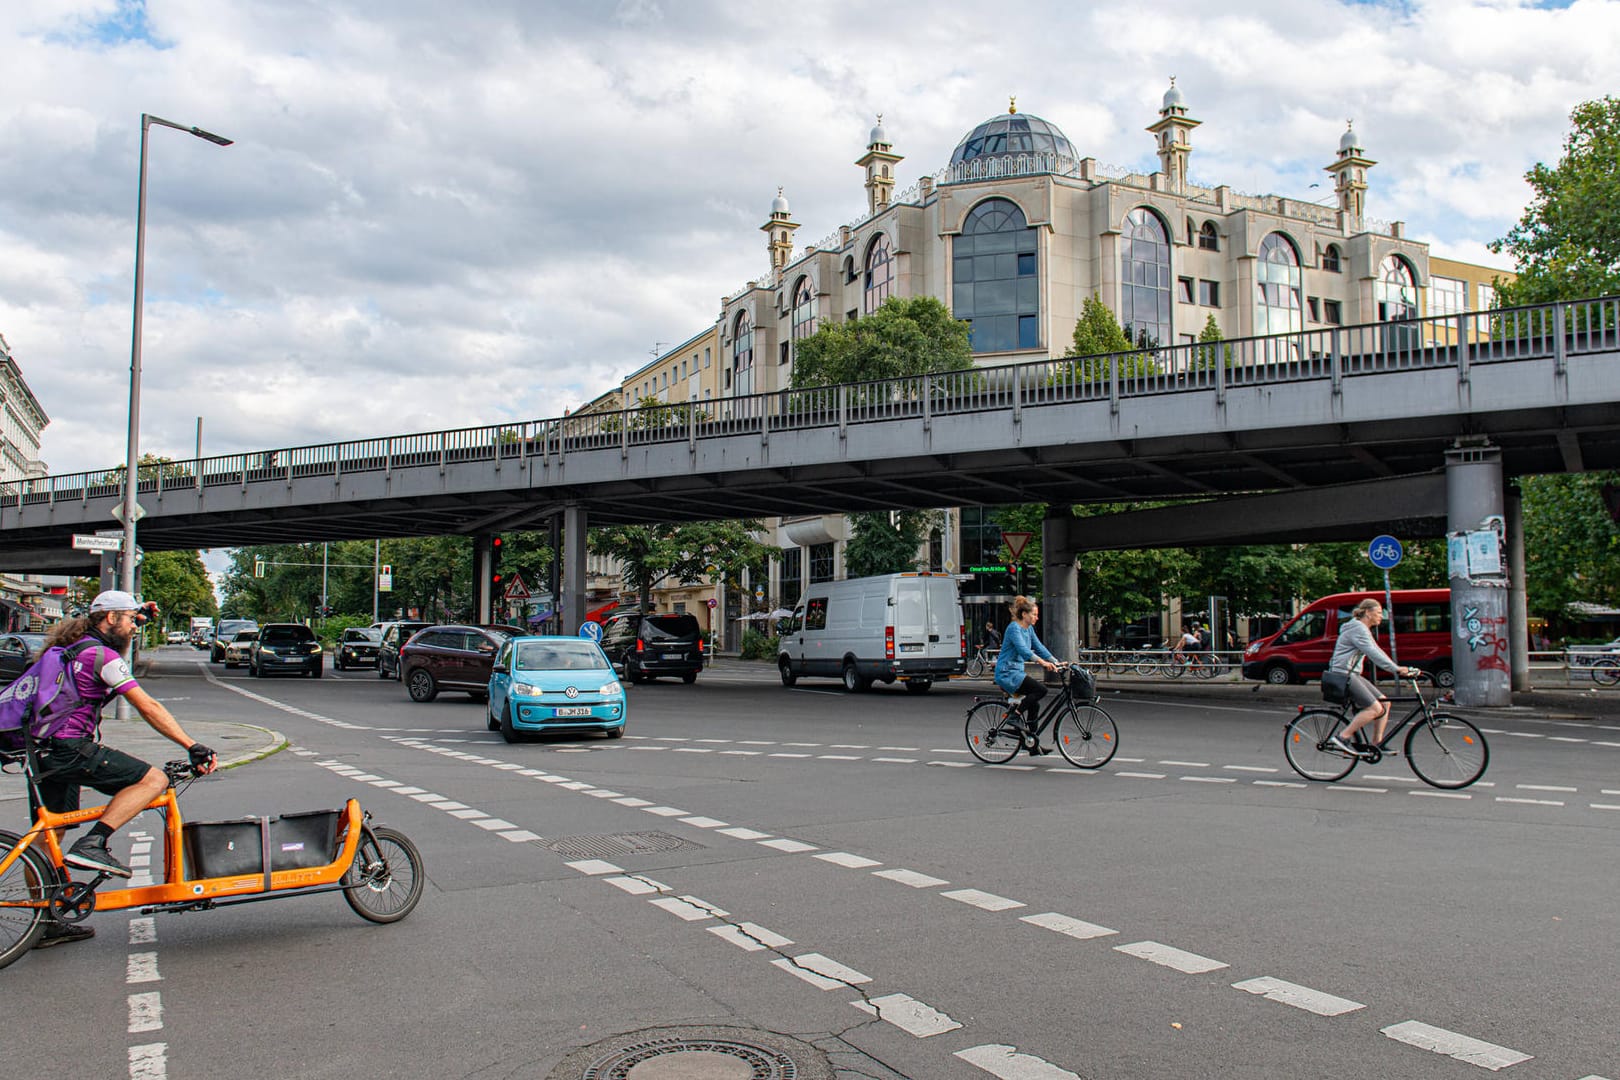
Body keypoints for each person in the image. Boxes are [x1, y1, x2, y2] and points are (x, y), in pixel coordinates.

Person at [30, 591, 217, 948]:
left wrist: (141, 613)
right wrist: (191, 744)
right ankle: (94, 842)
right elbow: (147, 706)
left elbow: (123, 630)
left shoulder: (73, 648)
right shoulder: (103, 656)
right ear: (111, 618)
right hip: (71, 748)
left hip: (41, 750)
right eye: (130, 620)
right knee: (154, 779)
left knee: (49, 834)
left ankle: (47, 922)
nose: (134, 627)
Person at [1326, 597, 1420, 757]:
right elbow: (1373, 653)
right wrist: (1396, 670)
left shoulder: (1362, 628)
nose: (1381, 616)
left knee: (1385, 703)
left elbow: (1377, 650)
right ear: (1368, 613)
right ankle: (1343, 737)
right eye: (1378, 613)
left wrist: (1398, 668)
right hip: (1343, 674)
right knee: (1375, 708)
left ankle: (1377, 743)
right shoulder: (1358, 628)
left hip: (1352, 673)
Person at [992, 596, 1060, 754]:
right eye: (1034, 614)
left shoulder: (1028, 629)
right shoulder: (1013, 628)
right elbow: (1024, 650)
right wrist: (1042, 663)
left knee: (1033, 703)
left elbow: (1039, 646)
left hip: (1016, 672)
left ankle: (1030, 743)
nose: (1037, 617)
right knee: (1041, 690)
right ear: (1024, 615)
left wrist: (1056, 662)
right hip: (1007, 673)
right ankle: (1014, 716)